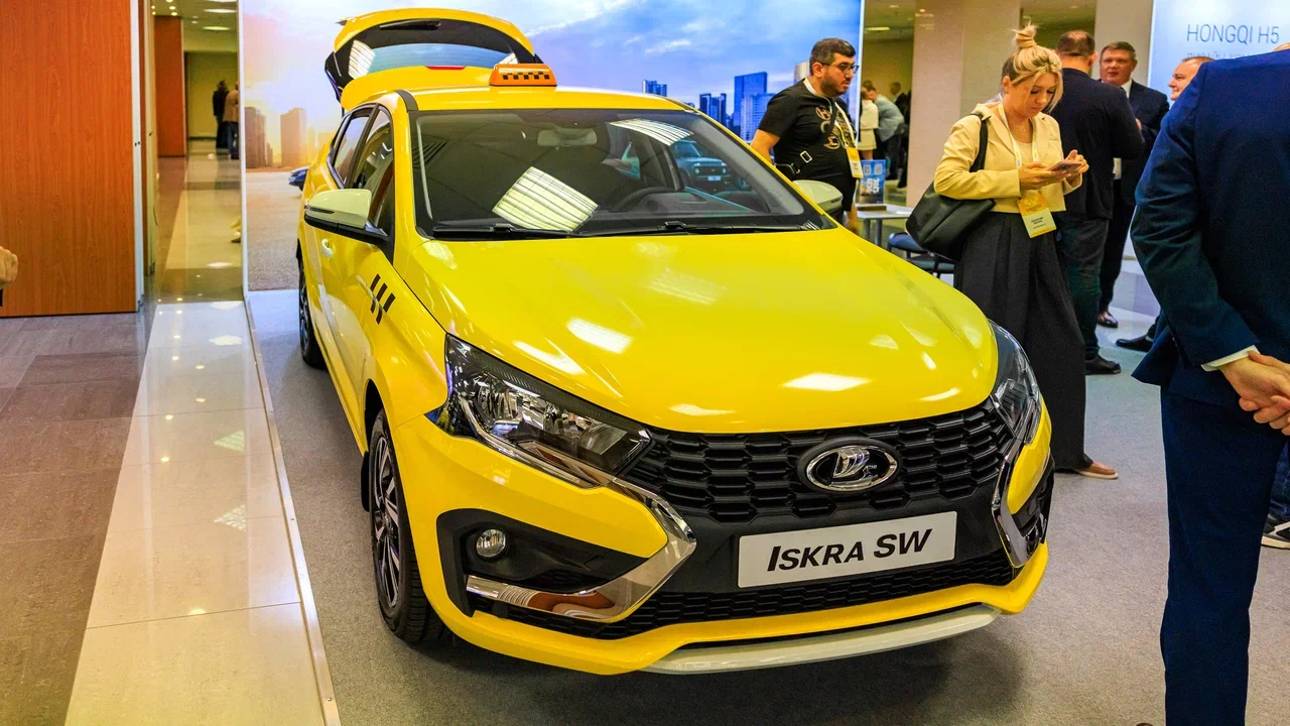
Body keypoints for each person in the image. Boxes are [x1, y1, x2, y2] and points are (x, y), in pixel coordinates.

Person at [1130, 48, 1290, 724]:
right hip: (1226, 384)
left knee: (1209, 585)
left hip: (1223, 385)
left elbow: (1160, 226)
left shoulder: (1223, 87)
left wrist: (1232, 356)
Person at [932, 25, 1116, 481]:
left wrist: (1069, 174)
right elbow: (947, 181)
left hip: (1041, 235)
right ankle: (980, 456)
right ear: (1007, 83)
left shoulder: (1048, 125)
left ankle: (1064, 449)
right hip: (992, 239)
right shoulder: (976, 125)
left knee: (1062, 341)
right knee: (994, 346)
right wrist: (1016, 180)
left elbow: (1051, 184)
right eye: (1034, 91)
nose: (1041, 100)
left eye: (1049, 92)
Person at [1048, 30, 1143, 375]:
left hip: (1038, 195)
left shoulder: (1042, 91)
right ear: (1091, 58)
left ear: (1057, 53)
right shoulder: (1109, 95)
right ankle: (1084, 351)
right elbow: (1132, 147)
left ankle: (1042, 344)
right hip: (1088, 199)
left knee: (1044, 269)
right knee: (1084, 274)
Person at [1115, 55, 1213, 353]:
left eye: (1180, 77)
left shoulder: (1208, 123)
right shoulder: (1179, 116)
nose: (1171, 83)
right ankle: (1158, 336)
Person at [1095, 41, 1168, 331]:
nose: (1113, 65)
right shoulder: (1087, 94)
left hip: (1123, 187)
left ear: (1133, 65)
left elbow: (1163, 139)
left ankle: (1102, 306)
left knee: (1113, 250)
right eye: (1108, 60)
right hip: (1088, 186)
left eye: (1121, 60)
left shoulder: (1153, 100)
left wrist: (1139, 129)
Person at [752, 38, 860, 227]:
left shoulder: (838, 106)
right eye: (843, 67)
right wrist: (781, 198)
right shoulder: (790, 100)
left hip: (837, 209)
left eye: (852, 67)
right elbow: (759, 148)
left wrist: (852, 213)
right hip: (803, 213)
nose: (850, 75)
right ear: (818, 69)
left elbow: (848, 159)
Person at [863, 80, 904, 165]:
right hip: (895, 125)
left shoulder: (879, 102)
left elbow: (874, 115)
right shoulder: (880, 99)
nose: (868, 97)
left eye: (869, 94)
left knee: (892, 151)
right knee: (893, 150)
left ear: (873, 92)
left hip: (893, 126)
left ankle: (892, 170)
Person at [857, 89, 878, 160]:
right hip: (869, 133)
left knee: (854, 158)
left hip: (858, 133)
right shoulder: (874, 106)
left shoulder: (857, 106)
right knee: (869, 158)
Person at [223, 82, 241, 160]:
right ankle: (236, 152)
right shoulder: (238, 94)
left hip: (228, 117)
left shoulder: (230, 93)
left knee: (230, 136)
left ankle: (230, 151)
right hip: (235, 118)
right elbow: (239, 104)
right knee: (238, 136)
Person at [212, 80, 229, 152]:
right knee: (225, 128)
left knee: (220, 128)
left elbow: (214, 105)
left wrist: (215, 113)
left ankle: (219, 144)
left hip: (219, 114)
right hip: (224, 113)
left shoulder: (216, 94)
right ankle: (224, 143)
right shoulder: (226, 94)